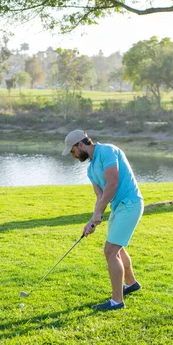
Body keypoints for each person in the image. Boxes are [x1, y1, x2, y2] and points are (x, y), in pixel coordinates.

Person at [62, 130, 144, 311]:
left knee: (110, 250)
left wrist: (99, 213)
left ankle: (117, 301)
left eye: (72, 151)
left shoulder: (107, 151)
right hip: (119, 207)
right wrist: (93, 219)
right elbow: (100, 195)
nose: (73, 155)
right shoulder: (91, 169)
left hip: (130, 204)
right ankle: (131, 283)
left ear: (81, 145)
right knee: (117, 247)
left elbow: (113, 183)